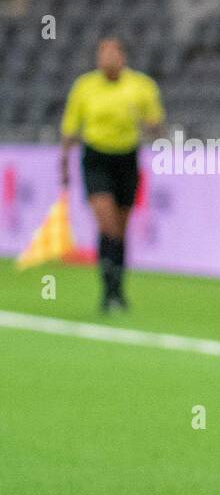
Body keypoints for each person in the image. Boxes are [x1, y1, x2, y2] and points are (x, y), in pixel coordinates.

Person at [59, 36, 165, 312]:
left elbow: (156, 123)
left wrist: (149, 125)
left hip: (126, 159)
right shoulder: (85, 87)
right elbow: (71, 127)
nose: (106, 59)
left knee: (120, 227)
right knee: (107, 223)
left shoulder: (141, 87)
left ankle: (116, 289)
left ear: (122, 57)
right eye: (101, 54)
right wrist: (63, 162)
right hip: (96, 158)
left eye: (111, 53)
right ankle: (108, 288)